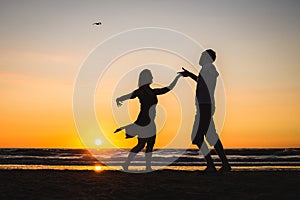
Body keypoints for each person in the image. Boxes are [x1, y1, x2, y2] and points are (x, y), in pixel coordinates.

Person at [114, 69, 181, 171]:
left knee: (149, 144)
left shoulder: (153, 91)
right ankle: (129, 164)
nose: (152, 78)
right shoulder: (140, 91)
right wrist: (119, 99)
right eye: (150, 76)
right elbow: (128, 96)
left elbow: (168, 89)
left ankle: (144, 166)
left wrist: (177, 77)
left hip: (150, 122)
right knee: (141, 145)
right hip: (143, 121)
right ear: (146, 79)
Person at [179, 49, 231, 172]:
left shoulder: (208, 68)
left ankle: (212, 165)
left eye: (202, 55)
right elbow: (202, 82)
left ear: (207, 58)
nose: (200, 57)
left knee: (197, 137)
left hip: (205, 106)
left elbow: (206, 83)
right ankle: (224, 164)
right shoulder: (208, 68)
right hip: (205, 106)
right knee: (211, 136)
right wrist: (190, 75)